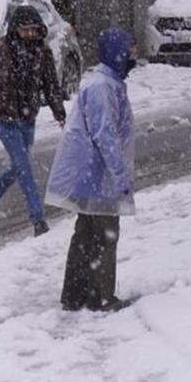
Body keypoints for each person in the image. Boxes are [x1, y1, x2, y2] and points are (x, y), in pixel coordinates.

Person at [47, 28, 138, 312]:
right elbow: (105, 134)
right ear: (117, 53)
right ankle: (102, 296)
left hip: (89, 173)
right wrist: (120, 176)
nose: (135, 55)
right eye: (130, 50)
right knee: (105, 233)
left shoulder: (106, 82)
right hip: (96, 174)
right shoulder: (103, 87)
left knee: (86, 232)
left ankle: (75, 293)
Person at [0, 5, 68, 237]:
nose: (30, 35)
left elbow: (51, 86)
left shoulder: (42, 53)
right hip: (4, 118)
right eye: (25, 30)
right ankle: (38, 220)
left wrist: (59, 113)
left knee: (17, 167)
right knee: (25, 170)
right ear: (14, 29)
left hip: (27, 118)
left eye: (34, 30)